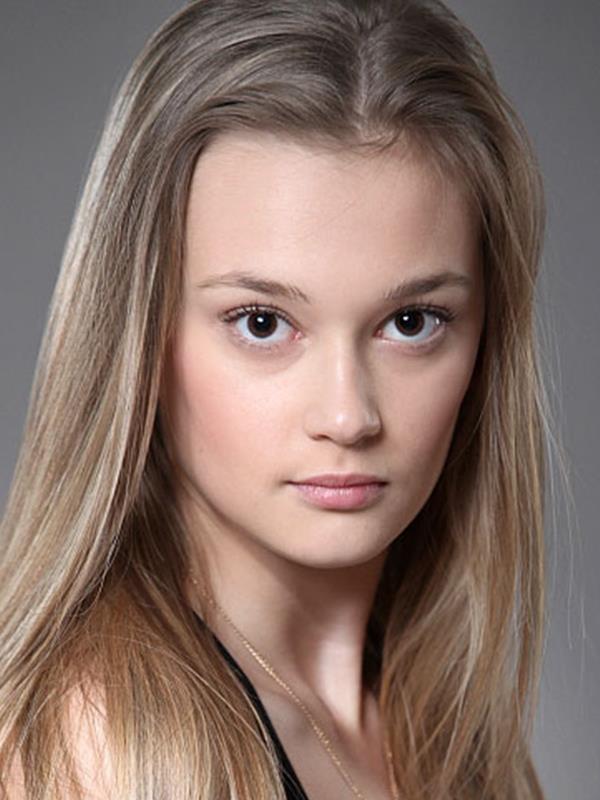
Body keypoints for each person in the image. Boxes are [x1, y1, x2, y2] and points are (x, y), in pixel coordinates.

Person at [0, 0, 554, 797]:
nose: (348, 417)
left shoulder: (438, 729)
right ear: (140, 336)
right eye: (262, 323)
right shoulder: (101, 746)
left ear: (486, 339)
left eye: (411, 322)